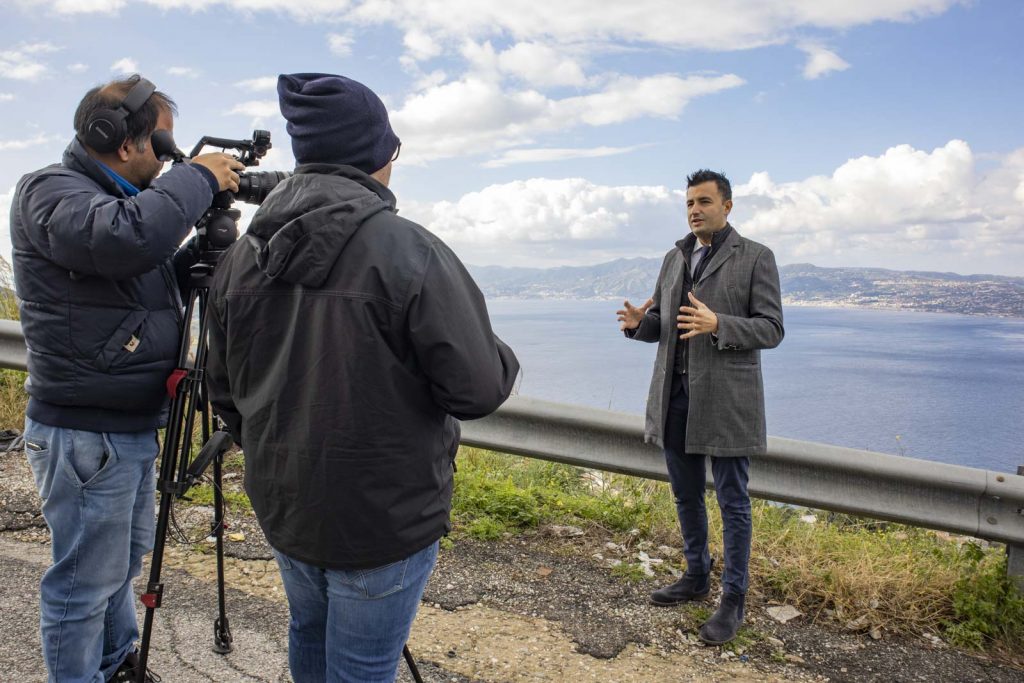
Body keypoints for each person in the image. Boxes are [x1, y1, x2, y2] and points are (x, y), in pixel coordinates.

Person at [205, 72, 520, 683]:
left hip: (286, 503)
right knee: (362, 666)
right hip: (385, 516)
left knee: (309, 635)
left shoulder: (240, 257)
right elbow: (477, 389)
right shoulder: (409, 251)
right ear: (378, 154)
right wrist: (494, 348)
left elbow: (225, 391)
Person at [10, 74, 244, 682]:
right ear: (118, 140)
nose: (168, 164)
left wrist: (186, 262)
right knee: (83, 585)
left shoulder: (110, 204)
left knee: (117, 570)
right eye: (163, 148)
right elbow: (120, 242)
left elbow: (128, 272)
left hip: (129, 429)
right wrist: (199, 174)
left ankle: (115, 665)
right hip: (88, 432)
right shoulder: (49, 191)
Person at [617, 169, 784, 645]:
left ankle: (734, 598)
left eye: (705, 202)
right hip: (675, 397)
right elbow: (664, 328)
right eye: (690, 202)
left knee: (733, 502)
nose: (695, 210)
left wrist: (720, 324)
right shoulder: (675, 258)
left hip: (728, 401)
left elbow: (771, 329)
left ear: (727, 206)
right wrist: (638, 325)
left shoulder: (756, 257)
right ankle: (695, 575)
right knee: (685, 494)